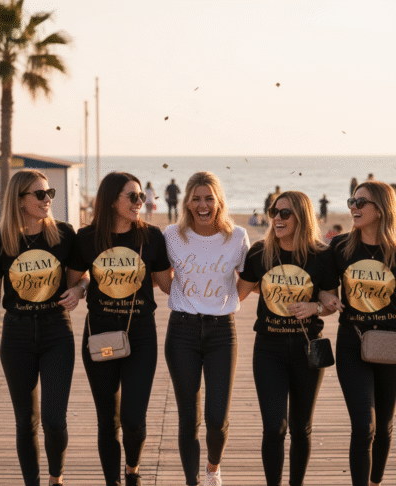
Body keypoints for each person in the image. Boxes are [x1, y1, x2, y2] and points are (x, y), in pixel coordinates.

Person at [71, 172, 172, 486]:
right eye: (132, 196)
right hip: (99, 336)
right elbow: (75, 281)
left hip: (140, 335)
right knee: (107, 420)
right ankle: (112, 482)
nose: (140, 202)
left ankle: (132, 470)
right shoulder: (87, 238)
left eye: (141, 196)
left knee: (133, 420)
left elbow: (168, 285)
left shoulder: (152, 237)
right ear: (112, 200)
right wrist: (82, 288)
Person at [237, 190, 339, 486]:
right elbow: (238, 293)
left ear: (302, 217)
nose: (277, 218)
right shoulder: (260, 251)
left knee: (301, 427)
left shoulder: (322, 255)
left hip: (310, 350)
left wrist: (315, 307)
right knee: (274, 427)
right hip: (269, 348)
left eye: (285, 213)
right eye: (274, 212)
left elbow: (332, 302)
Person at [0, 169, 89, 486]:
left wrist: (78, 291)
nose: (47, 199)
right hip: (16, 335)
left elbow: (84, 275)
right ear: (19, 200)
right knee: (26, 421)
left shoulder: (63, 234)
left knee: (54, 420)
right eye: (39, 194)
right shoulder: (2, 240)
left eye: (49, 193)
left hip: (56, 333)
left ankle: (56, 479)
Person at [164, 171, 250, 486]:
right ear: (187, 201)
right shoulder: (172, 235)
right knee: (189, 418)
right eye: (197, 198)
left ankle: (213, 468)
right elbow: (163, 281)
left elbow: (247, 280)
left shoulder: (237, 236)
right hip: (182, 331)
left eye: (209, 198)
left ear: (218, 202)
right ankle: (192, 482)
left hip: (222, 334)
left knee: (217, 419)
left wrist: (225, 303)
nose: (203, 205)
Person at [319, 180, 396, 486]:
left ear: (381, 209)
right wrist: (327, 299)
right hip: (353, 342)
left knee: (385, 427)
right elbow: (325, 289)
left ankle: (375, 482)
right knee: (364, 425)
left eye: (361, 203)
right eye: (352, 201)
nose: (353, 207)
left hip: (391, 345)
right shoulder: (340, 247)